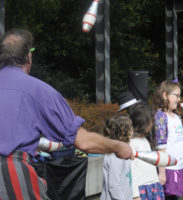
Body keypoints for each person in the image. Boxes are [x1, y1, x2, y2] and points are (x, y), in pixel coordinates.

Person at [0, 29, 133, 199]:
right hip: (9, 172)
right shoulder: (38, 90)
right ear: (28, 56)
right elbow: (83, 141)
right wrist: (118, 146)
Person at [153, 80, 183, 200]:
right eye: (176, 95)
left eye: (179, 95)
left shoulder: (175, 116)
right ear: (165, 95)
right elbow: (160, 146)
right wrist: (162, 172)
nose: (179, 99)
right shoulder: (160, 117)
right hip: (167, 170)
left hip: (178, 167)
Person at [129, 103, 164, 200]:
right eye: (151, 121)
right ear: (142, 122)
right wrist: (136, 195)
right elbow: (131, 171)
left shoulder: (145, 140)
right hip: (141, 189)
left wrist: (157, 181)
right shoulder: (131, 143)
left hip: (153, 185)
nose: (153, 124)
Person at [101, 114, 133, 200]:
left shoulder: (123, 151)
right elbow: (114, 185)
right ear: (124, 131)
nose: (132, 130)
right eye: (130, 127)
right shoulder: (115, 155)